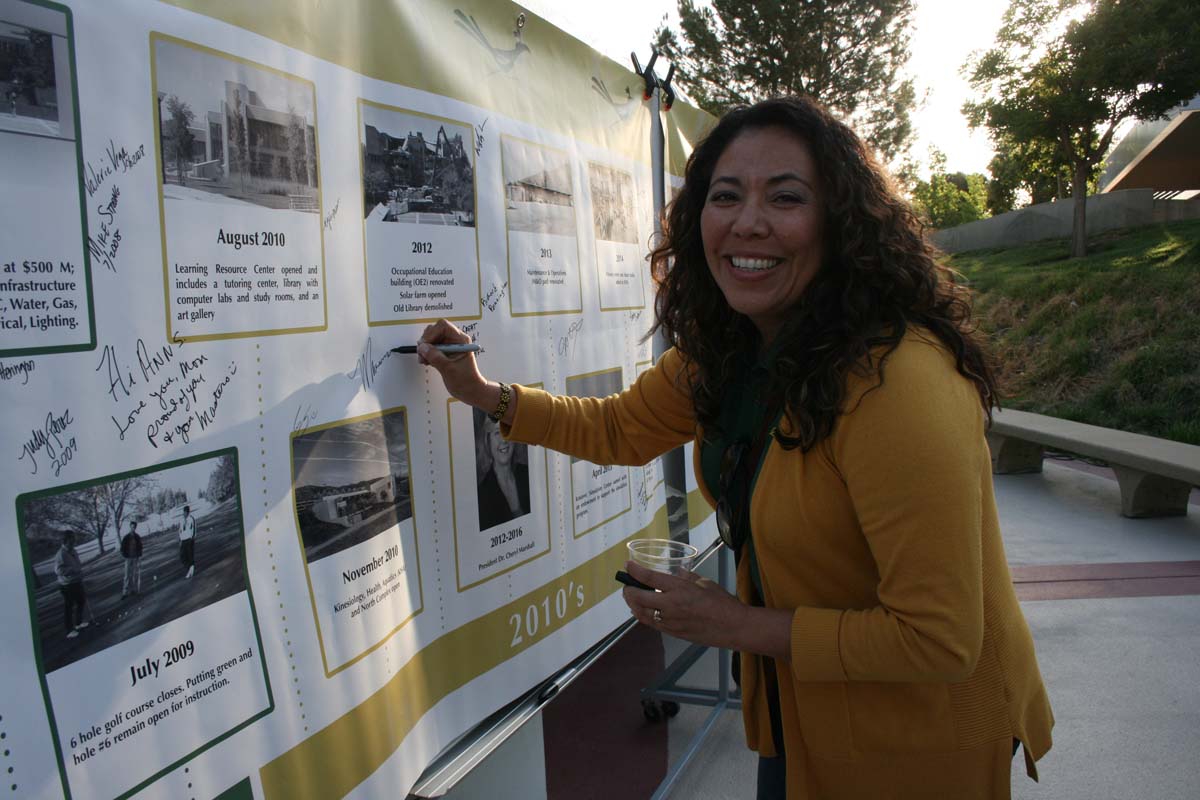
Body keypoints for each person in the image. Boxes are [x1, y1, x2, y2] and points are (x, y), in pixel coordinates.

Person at [419, 96, 1053, 798]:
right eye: (725, 196)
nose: (748, 222)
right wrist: (486, 397)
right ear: (698, 223)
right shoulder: (737, 349)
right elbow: (621, 428)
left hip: (914, 743)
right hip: (804, 713)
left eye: (786, 197)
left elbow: (938, 639)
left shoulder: (899, 382)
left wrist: (731, 624)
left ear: (842, 224)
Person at [474, 406, 531, 531]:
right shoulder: (482, 493)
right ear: (487, 441)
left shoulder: (527, 475)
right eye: (496, 433)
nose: (503, 440)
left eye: (507, 430)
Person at [54, 531, 89, 639]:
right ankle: (69, 630)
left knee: (81, 601)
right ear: (66, 540)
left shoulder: (73, 550)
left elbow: (77, 564)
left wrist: (79, 571)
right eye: (72, 539)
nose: (74, 541)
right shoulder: (61, 554)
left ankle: (78, 623)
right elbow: (58, 570)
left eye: (74, 538)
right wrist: (73, 570)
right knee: (69, 606)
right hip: (66, 584)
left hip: (76, 581)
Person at [120, 519, 143, 597]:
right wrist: (125, 555)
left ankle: (133, 590)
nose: (133, 528)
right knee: (126, 575)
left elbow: (140, 547)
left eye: (134, 527)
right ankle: (125, 592)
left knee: (134, 575)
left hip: (135, 558)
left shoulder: (137, 537)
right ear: (130, 527)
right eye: (132, 527)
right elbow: (122, 548)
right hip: (128, 558)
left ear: (135, 528)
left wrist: (139, 556)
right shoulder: (126, 537)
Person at [179, 505, 197, 579]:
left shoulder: (191, 519)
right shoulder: (181, 520)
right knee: (182, 556)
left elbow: (194, 529)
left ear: (188, 512)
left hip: (189, 539)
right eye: (184, 511)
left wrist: (192, 538)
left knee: (190, 555)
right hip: (183, 540)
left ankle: (191, 569)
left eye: (186, 511)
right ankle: (190, 568)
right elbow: (180, 530)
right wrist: (180, 539)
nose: (185, 513)